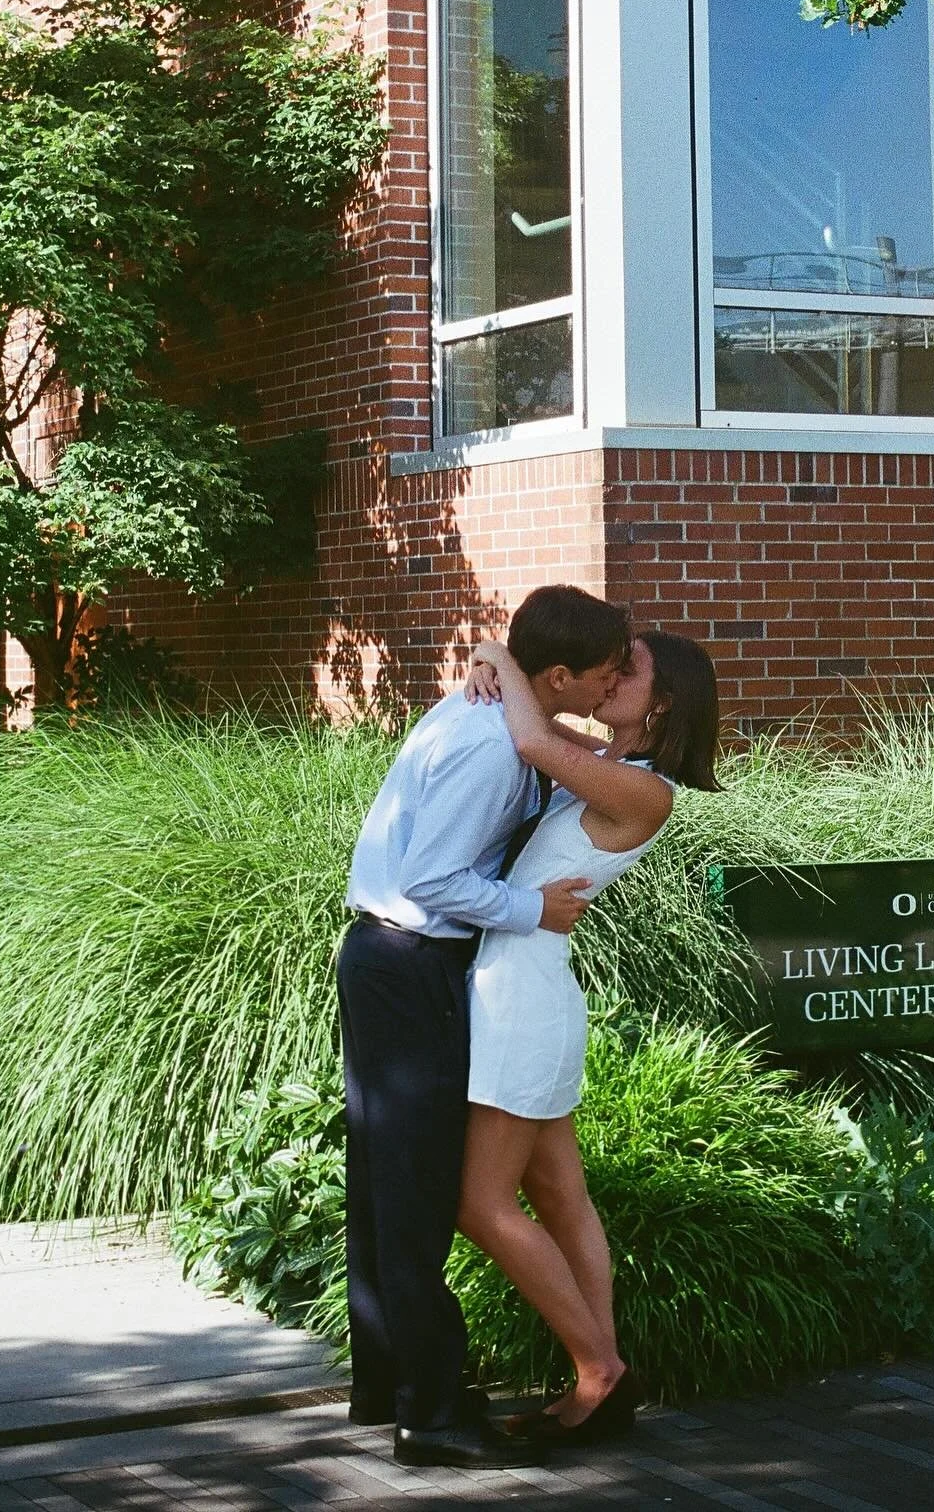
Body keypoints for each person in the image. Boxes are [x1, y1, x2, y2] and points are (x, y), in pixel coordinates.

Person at [336, 584, 631, 1469]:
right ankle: (430, 1416)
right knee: (418, 1192)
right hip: (409, 962)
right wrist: (529, 908)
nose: (615, 681)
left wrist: (492, 659)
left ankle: (390, 1386)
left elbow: (556, 742)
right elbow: (432, 878)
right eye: (608, 670)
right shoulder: (493, 750)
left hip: (393, 963)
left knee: (390, 1184)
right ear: (559, 674)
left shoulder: (500, 714)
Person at [457, 629, 722, 1446]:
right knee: (561, 1199)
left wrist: (494, 652)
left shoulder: (647, 793)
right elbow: (541, 728)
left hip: (523, 1001)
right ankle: (601, 1376)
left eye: (628, 667)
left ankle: (598, 1368)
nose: (608, 675)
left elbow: (532, 736)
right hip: (524, 989)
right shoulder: (617, 768)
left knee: (477, 1202)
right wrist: (495, 671)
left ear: (665, 699)